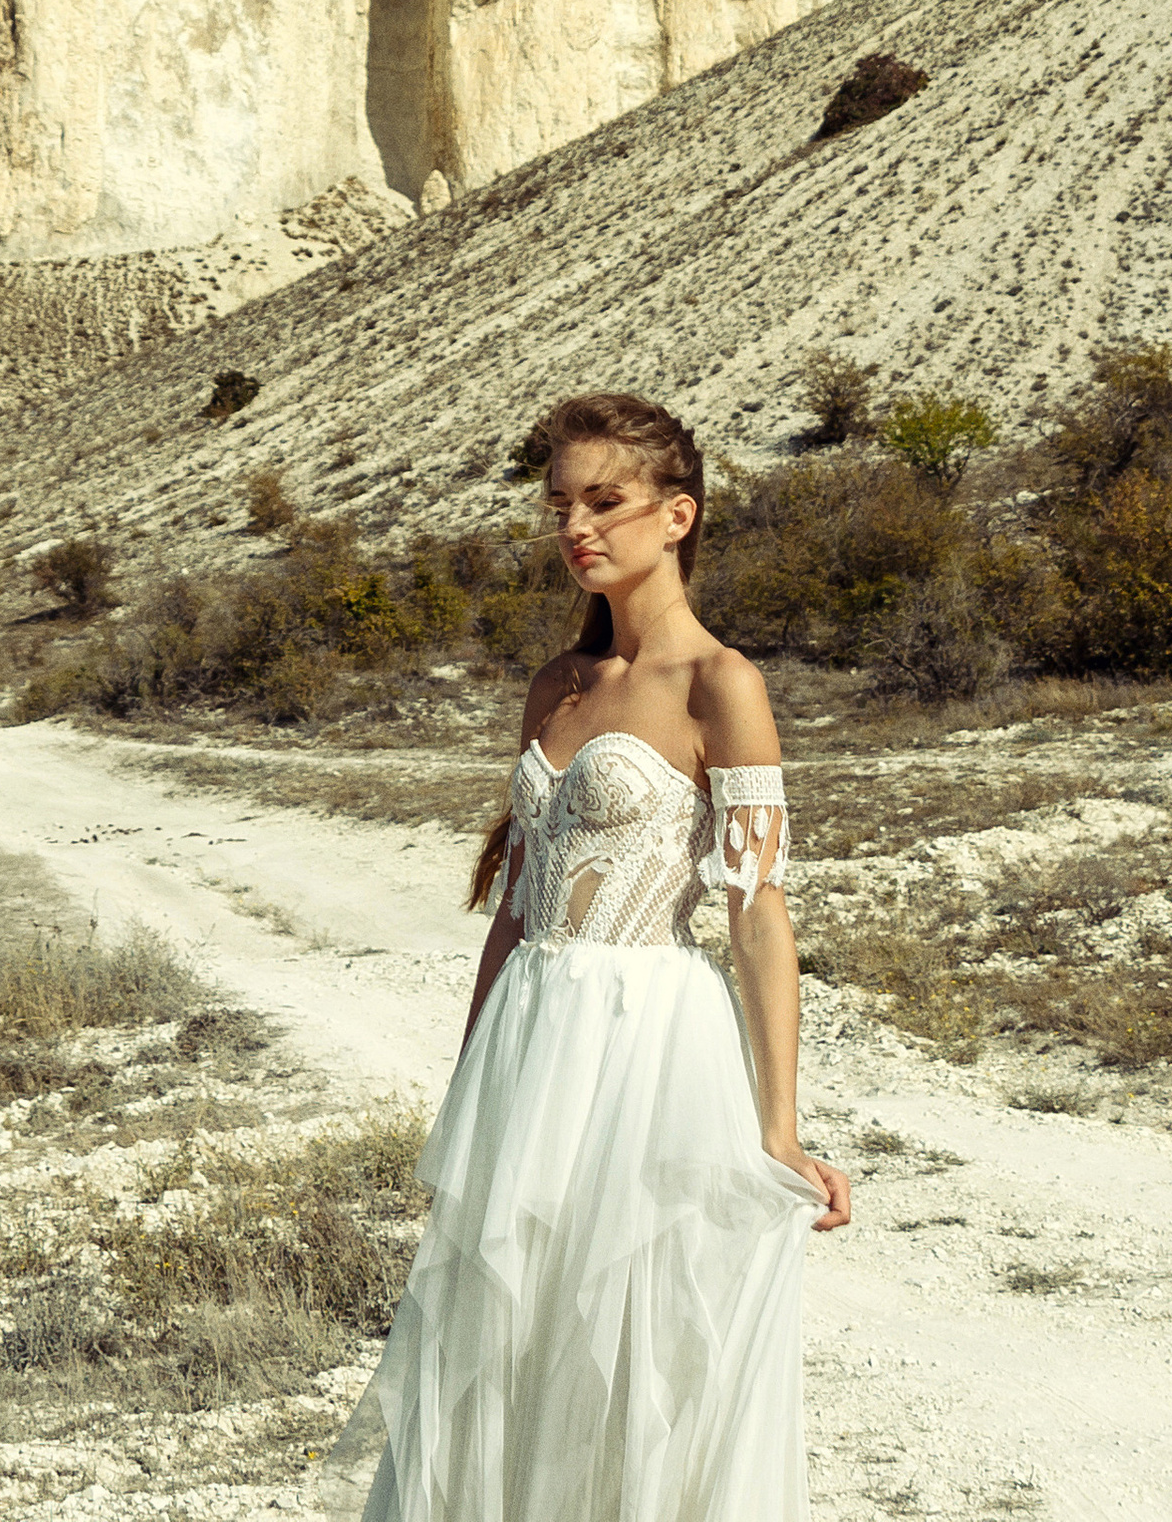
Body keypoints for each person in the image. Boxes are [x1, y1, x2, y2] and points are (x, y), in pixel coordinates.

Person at [319, 391, 851, 1522]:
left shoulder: (721, 686)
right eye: (560, 504)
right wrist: (470, 1080)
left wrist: (778, 1126)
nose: (576, 528)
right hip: (529, 1034)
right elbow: (514, 906)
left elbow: (759, 913)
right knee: (508, 1332)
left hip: (646, 1041)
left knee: (638, 1341)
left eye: (605, 501)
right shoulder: (555, 685)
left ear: (677, 515)